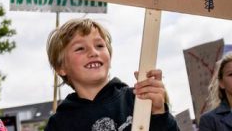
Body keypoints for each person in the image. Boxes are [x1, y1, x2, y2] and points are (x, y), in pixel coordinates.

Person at [44, 18, 179, 131]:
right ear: (61, 68)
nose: (93, 52)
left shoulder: (138, 99)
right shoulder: (58, 124)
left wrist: (159, 113)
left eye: (99, 46)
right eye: (80, 48)